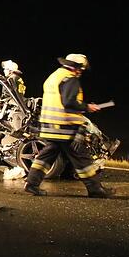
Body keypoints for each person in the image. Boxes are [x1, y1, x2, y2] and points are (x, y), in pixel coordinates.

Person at [23, 54, 113, 198]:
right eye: (81, 69)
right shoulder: (70, 79)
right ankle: (95, 189)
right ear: (76, 67)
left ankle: (31, 184)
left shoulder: (54, 76)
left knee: (47, 155)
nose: (81, 72)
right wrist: (87, 107)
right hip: (65, 127)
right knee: (81, 158)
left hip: (50, 125)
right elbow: (69, 102)